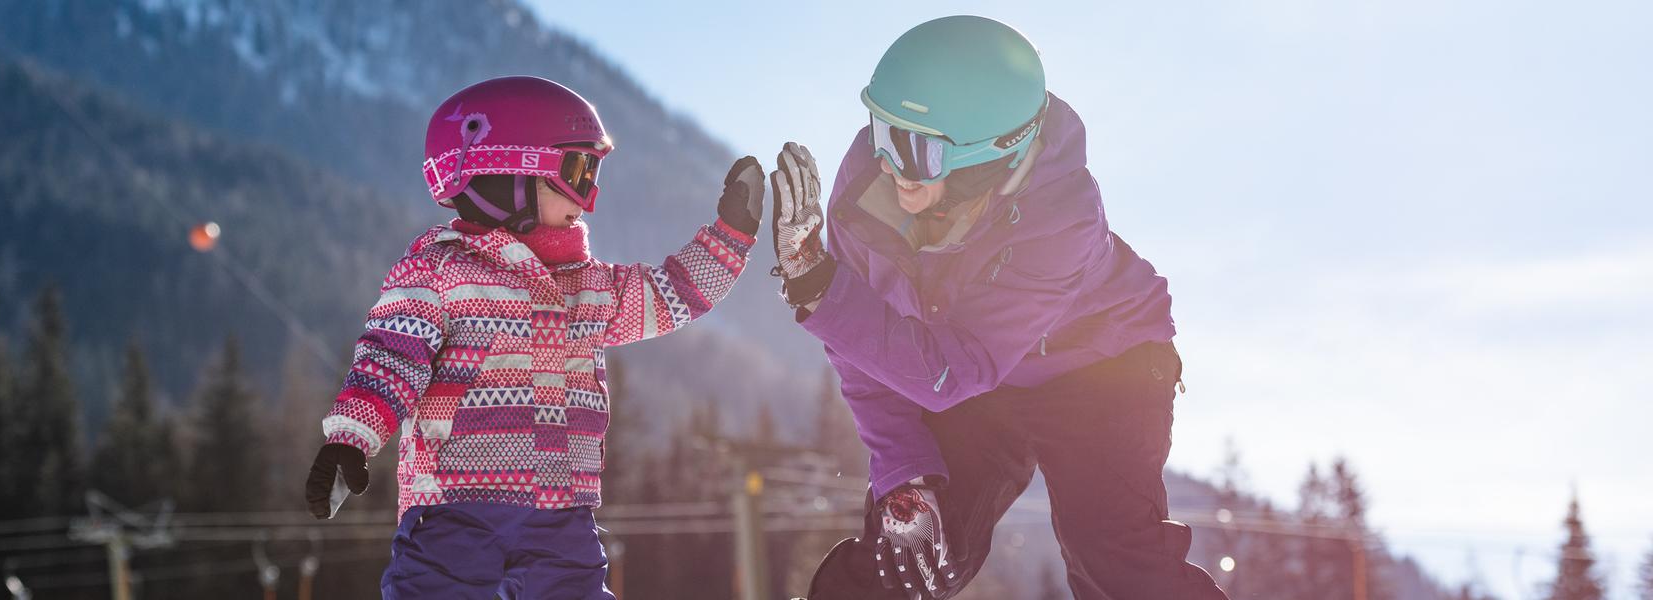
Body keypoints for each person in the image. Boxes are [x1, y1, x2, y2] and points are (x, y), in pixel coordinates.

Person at [771, 17, 1228, 599]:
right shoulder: (869, 192)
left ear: (987, 156)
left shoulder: (1062, 216)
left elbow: (950, 371)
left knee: (1111, 557)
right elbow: (864, 348)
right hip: (967, 374)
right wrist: (904, 471)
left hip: (1102, 368)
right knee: (906, 557)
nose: (886, 161)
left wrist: (821, 291)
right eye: (882, 131)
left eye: (913, 148)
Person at [302, 76, 763, 599]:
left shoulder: (589, 285)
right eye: (578, 170)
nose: (590, 195)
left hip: (561, 513)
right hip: (456, 506)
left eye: (593, 172)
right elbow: (390, 357)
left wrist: (731, 235)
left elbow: (669, 295)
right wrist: (350, 438)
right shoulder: (441, 270)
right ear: (508, 173)